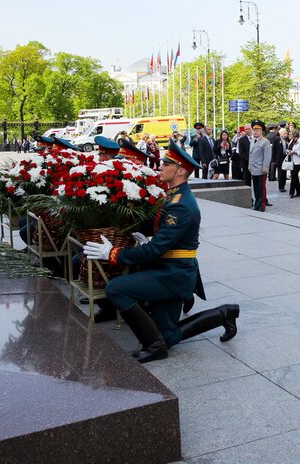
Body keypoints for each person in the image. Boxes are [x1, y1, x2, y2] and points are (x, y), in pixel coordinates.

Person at [83, 140, 239, 363]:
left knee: (116, 289)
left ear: (181, 171)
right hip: (168, 268)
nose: (160, 166)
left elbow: (155, 249)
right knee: (168, 335)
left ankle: (154, 347)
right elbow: (160, 231)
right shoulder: (173, 195)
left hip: (174, 274)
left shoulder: (181, 204)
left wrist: (113, 254)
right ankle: (224, 313)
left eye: (166, 164)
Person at [248, 120, 272, 211]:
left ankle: (262, 205)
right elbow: (250, 155)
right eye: (254, 130)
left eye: (257, 130)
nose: (255, 132)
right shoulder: (252, 141)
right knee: (256, 188)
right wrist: (249, 166)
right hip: (254, 168)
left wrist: (265, 168)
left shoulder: (265, 142)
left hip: (261, 168)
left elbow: (267, 156)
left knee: (261, 188)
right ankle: (257, 204)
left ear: (261, 131)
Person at [285, 129, 300, 198]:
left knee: (293, 177)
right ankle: (299, 192)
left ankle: (291, 192)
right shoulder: (292, 141)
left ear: (294, 134)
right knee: (295, 177)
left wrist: (294, 152)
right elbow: (288, 148)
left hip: (298, 162)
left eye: (291, 134)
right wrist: (288, 151)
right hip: (292, 161)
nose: (289, 135)